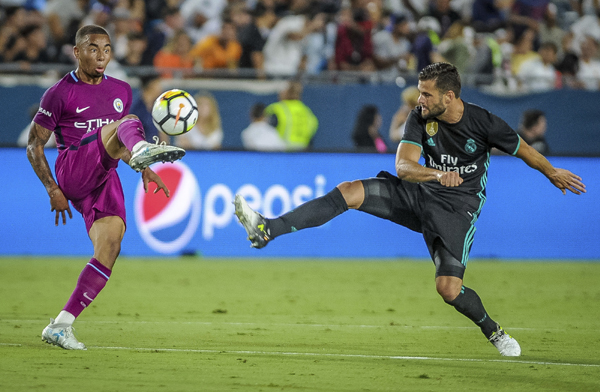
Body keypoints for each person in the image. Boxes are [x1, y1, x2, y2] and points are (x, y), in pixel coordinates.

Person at [233, 62, 586, 356]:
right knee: (350, 191)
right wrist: (436, 174)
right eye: (420, 92)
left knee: (448, 289)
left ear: (449, 96)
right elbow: (404, 167)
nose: (420, 99)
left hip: (458, 208)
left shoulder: (484, 123)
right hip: (419, 190)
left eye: (426, 93)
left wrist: (552, 172)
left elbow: (523, 149)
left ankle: (494, 331)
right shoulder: (420, 117)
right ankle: (268, 229)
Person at [26, 24, 186, 350]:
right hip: (72, 168)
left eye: (107, 49)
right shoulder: (59, 93)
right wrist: (52, 188)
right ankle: (144, 148)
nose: (101, 56)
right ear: (77, 52)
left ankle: (61, 325)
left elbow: (115, 144)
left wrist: (141, 166)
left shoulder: (121, 90)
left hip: (104, 175)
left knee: (110, 246)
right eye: (93, 48)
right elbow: (33, 146)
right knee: (129, 123)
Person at [264, 81, 319, 151]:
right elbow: (312, 131)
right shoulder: (307, 111)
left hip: (282, 152)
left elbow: (265, 131)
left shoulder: (277, 109)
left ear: (284, 93)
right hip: (302, 152)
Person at [129, 74, 170, 143]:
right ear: (151, 86)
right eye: (158, 85)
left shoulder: (158, 107)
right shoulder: (135, 109)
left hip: (157, 149)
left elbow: (163, 133)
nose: (161, 88)